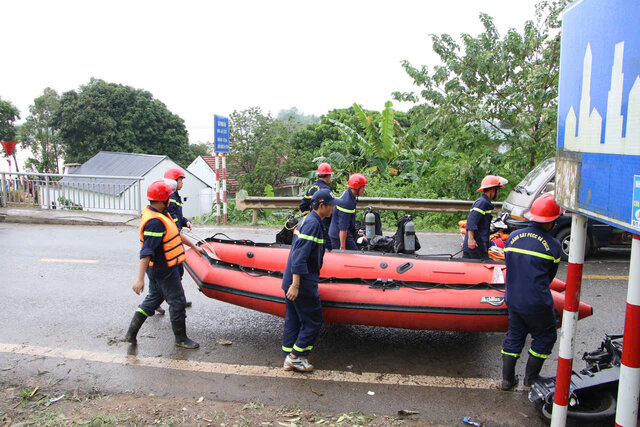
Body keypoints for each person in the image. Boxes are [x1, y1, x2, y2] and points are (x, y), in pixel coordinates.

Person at [123, 180, 203, 348]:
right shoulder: (155, 222)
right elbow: (146, 252)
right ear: (161, 200)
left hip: (161, 269)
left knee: (152, 300)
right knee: (177, 301)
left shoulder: (161, 215)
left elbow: (175, 234)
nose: (170, 200)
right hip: (163, 270)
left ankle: (131, 334)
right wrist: (139, 279)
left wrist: (194, 247)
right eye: (168, 198)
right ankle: (180, 339)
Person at [500, 193, 562, 390]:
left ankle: (507, 379)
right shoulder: (553, 246)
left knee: (515, 336)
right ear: (551, 222)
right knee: (545, 336)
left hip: (513, 298)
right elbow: (549, 277)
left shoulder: (512, 237)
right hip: (536, 302)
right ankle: (531, 379)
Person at [282, 189, 339, 372]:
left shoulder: (309, 219)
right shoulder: (313, 224)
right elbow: (299, 257)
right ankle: (295, 357)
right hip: (302, 282)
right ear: (321, 206)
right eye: (331, 206)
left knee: (293, 319)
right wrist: (296, 285)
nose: (333, 209)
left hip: (291, 278)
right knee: (314, 320)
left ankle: (288, 356)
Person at [156, 167, 193, 313]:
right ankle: (158, 301)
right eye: (180, 180)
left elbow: (178, 216)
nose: (182, 183)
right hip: (172, 239)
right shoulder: (168, 198)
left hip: (176, 237)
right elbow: (171, 218)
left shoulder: (175, 196)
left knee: (178, 270)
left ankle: (178, 298)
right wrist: (178, 230)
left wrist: (186, 222)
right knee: (172, 272)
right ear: (173, 181)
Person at [462, 175, 507, 259]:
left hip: (479, 244)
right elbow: (472, 221)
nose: (498, 193)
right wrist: (471, 240)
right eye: (498, 190)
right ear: (493, 189)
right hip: (476, 245)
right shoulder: (482, 203)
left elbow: (481, 222)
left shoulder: (485, 202)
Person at [328, 173, 367, 251]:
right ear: (357, 188)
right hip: (339, 236)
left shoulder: (348, 194)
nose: (364, 190)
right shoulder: (347, 203)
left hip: (341, 233)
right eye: (363, 187)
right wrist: (342, 247)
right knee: (354, 254)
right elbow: (343, 228)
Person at [299, 162, 333, 250]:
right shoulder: (326, 190)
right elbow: (330, 207)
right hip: (323, 222)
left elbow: (303, 205)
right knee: (325, 244)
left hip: (312, 220)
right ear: (328, 176)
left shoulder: (312, 187)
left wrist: (308, 216)